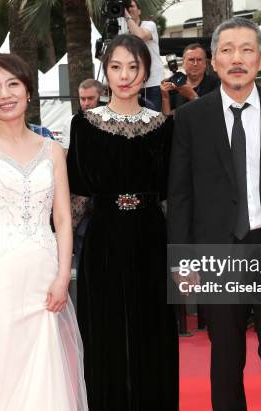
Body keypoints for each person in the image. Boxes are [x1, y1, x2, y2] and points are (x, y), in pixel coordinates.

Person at [167, 17, 261, 411]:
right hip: (218, 253)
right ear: (214, 61)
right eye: (228, 50)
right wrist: (183, 259)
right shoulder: (190, 119)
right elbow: (180, 195)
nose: (237, 59)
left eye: (247, 49)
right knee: (225, 361)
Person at [0, 53, 87, 410]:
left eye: (13, 84)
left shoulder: (53, 149)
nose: (4, 94)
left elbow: (61, 219)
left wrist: (61, 276)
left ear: (28, 92)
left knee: (44, 365)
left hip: (42, 271)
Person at [67, 34, 178, 410]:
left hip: (152, 238)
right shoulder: (83, 125)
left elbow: (168, 198)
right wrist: (56, 252)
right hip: (103, 238)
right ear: (105, 71)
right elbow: (77, 199)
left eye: (134, 67)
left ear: (147, 71)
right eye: (116, 67)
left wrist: (180, 255)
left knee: (153, 331)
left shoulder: (164, 127)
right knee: (105, 332)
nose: (125, 75)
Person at [122, 0, 165, 111]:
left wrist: (126, 16)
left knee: (152, 121)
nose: (129, 9)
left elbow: (140, 36)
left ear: (139, 11)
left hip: (152, 83)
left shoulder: (149, 25)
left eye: (131, 6)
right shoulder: (124, 33)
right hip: (133, 85)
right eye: (126, 7)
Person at [161, 43, 220, 116]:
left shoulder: (217, 85)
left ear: (205, 63)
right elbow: (167, 115)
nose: (195, 64)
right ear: (183, 63)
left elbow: (214, 115)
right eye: (191, 60)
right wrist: (165, 98)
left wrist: (193, 96)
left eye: (199, 59)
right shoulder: (173, 83)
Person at [61, 79, 104, 150]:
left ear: (102, 98)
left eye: (90, 98)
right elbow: (67, 152)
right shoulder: (70, 122)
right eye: (83, 99)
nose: (86, 103)